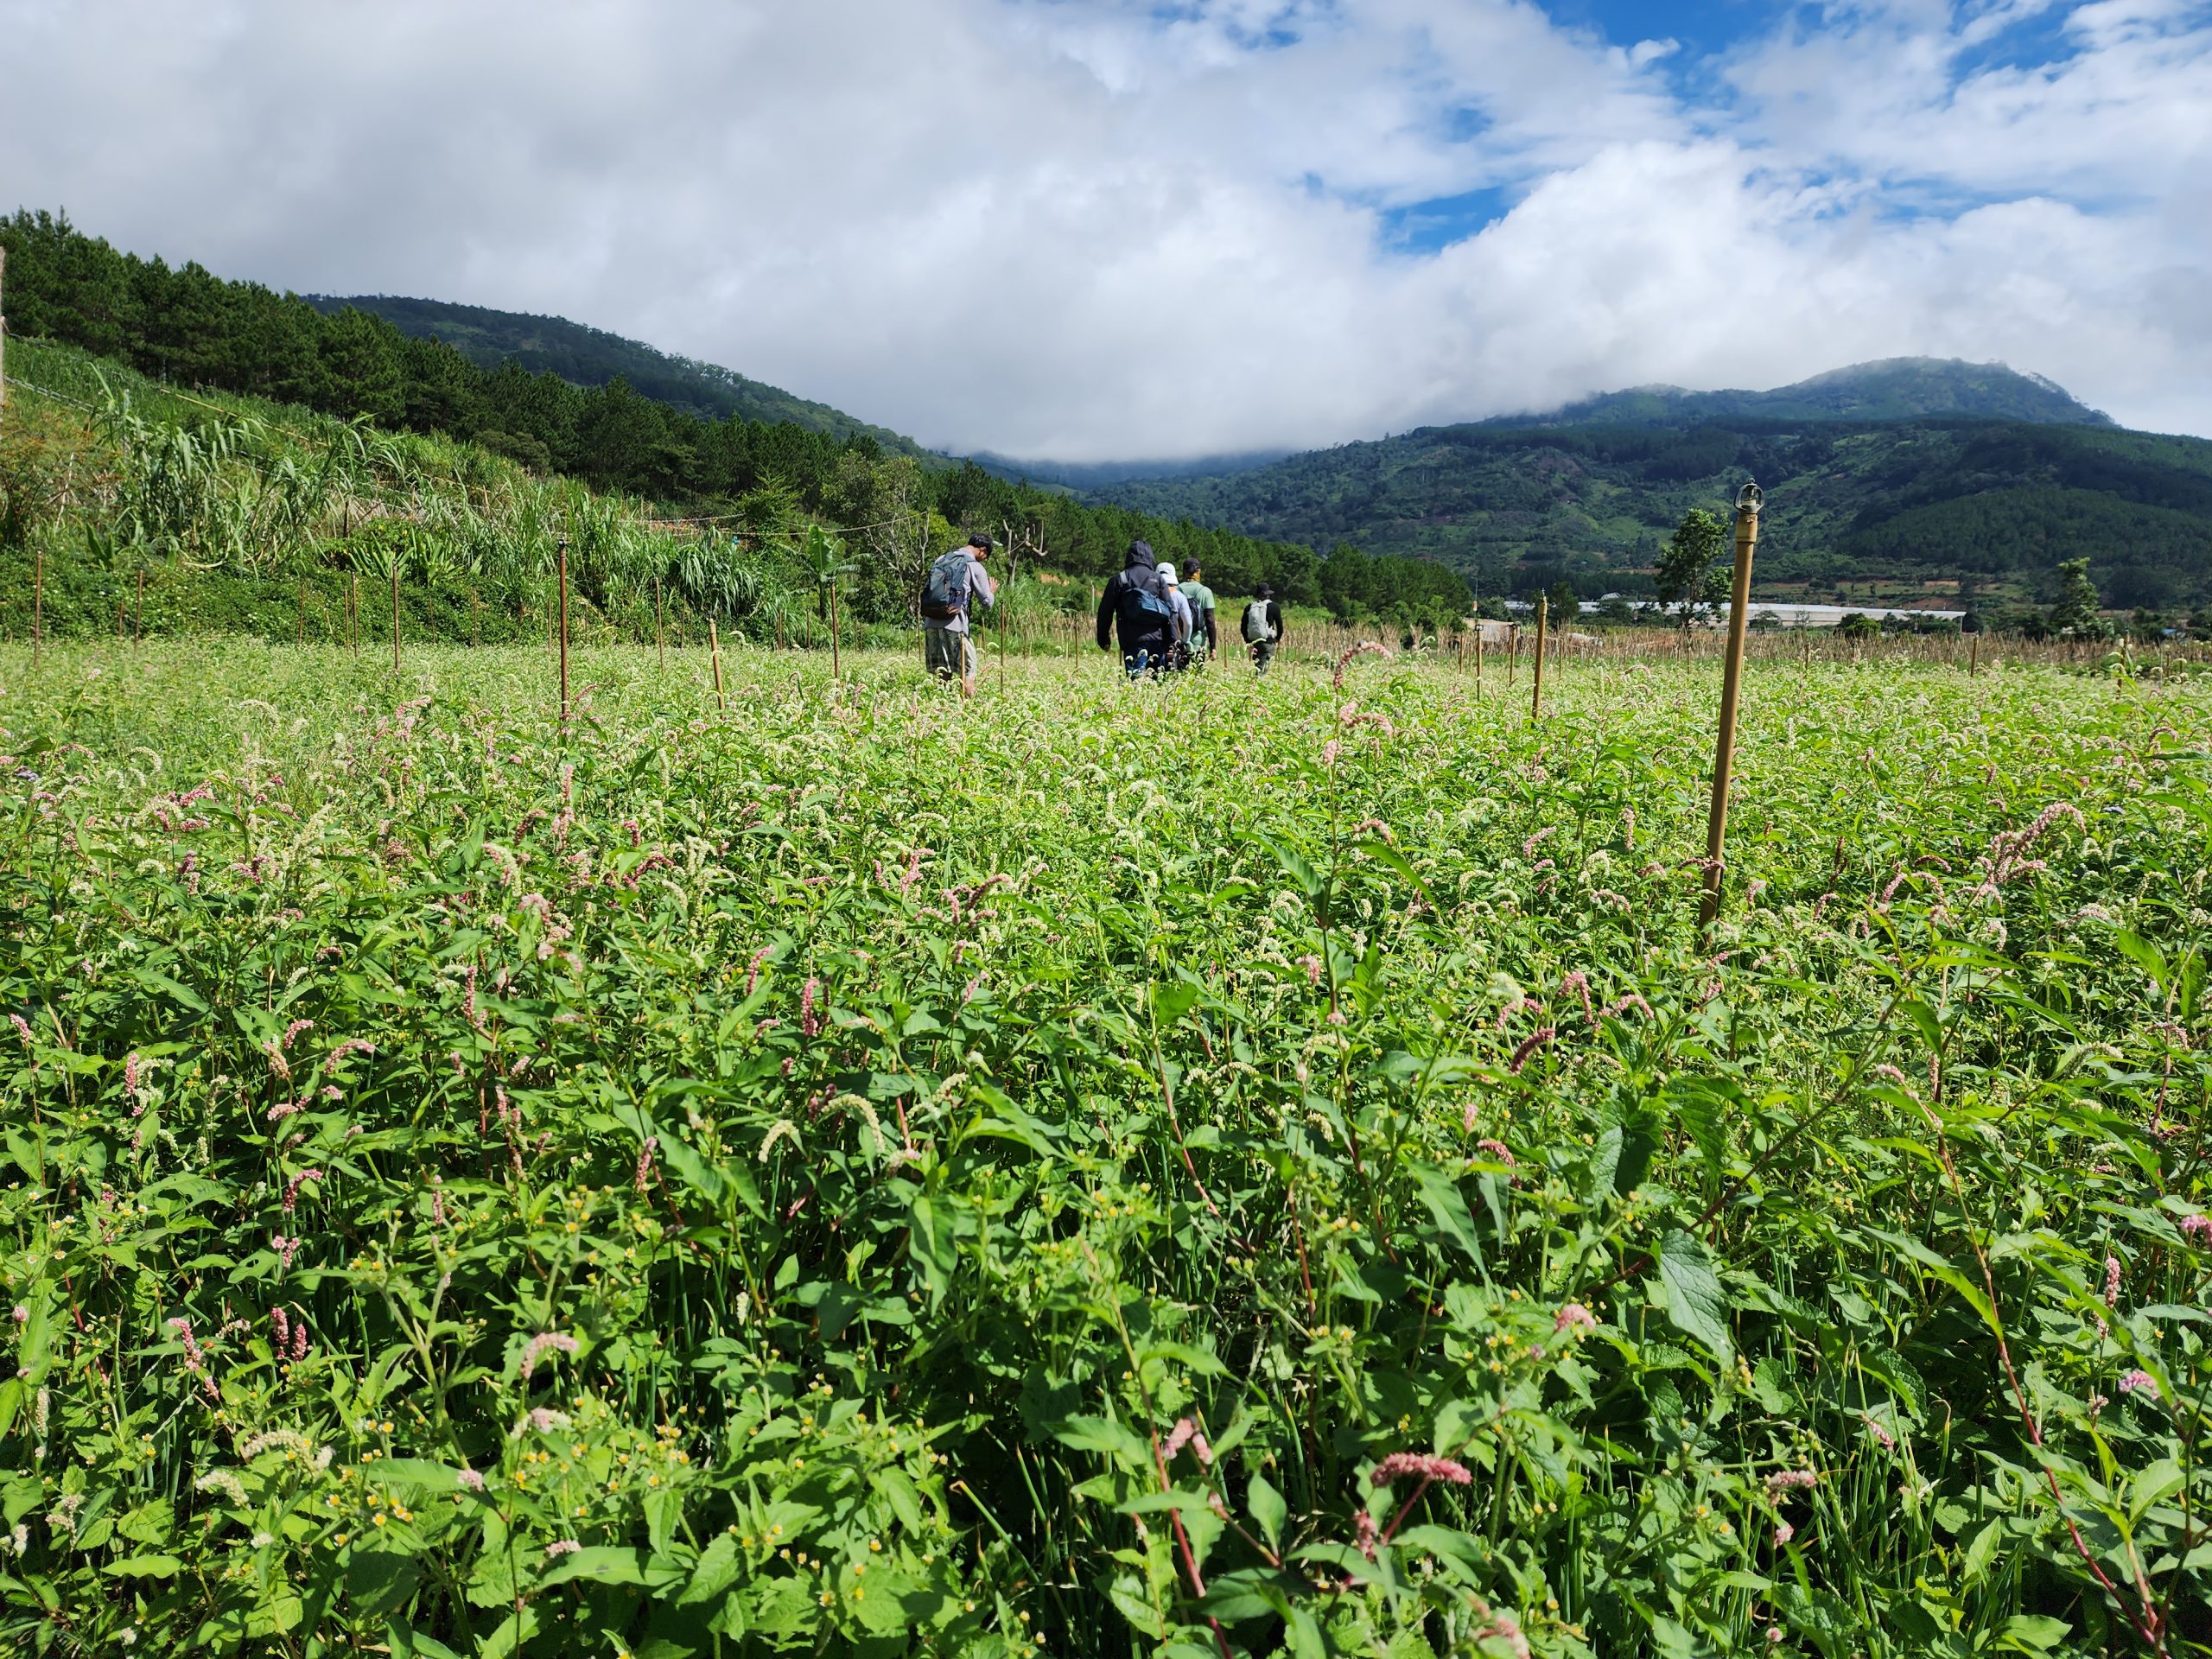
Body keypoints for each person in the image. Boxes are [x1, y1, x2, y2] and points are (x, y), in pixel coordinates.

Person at [919, 531, 996, 697]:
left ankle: (941, 709)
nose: (983, 559)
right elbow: (987, 603)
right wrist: (991, 591)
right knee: (968, 671)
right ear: (982, 550)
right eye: (985, 556)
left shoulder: (941, 559)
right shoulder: (974, 566)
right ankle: (968, 711)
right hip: (956, 625)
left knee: (943, 671)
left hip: (931, 622)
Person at [1095, 539, 1179, 677]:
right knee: (1158, 684)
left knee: (1136, 685)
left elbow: (1105, 612)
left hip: (1132, 639)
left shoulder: (1119, 579)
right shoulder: (1158, 579)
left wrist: (1103, 639)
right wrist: (1173, 642)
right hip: (1157, 640)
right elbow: (1171, 612)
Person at [1179, 557, 1219, 666]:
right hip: (1199, 642)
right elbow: (1210, 620)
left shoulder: (1176, 590)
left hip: (1180, 641)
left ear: (1184, 572)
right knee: (1198, 675)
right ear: (1198, 571)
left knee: (1179, 676)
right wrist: (1213, 647)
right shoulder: (1205, 591)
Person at [1157, 561, 1195, 671]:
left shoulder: (1151, 594)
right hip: (1172, 642)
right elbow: (1188, 622)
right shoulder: (1179, 597)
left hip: (1154, 640)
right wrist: (1185, 641)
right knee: (1171, 673)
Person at [1242, 582, 1286, 673]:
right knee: (1263, 670)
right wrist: (1277, 638)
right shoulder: (1274, 607)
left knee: (1257, 667)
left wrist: (1249, 642)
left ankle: (1253, 683)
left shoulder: (1249, 607)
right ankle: (1255, 685)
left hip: (1254, 642)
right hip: (1268, 643)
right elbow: (1280, 626)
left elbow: (1243, 627)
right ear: (1268, 594)